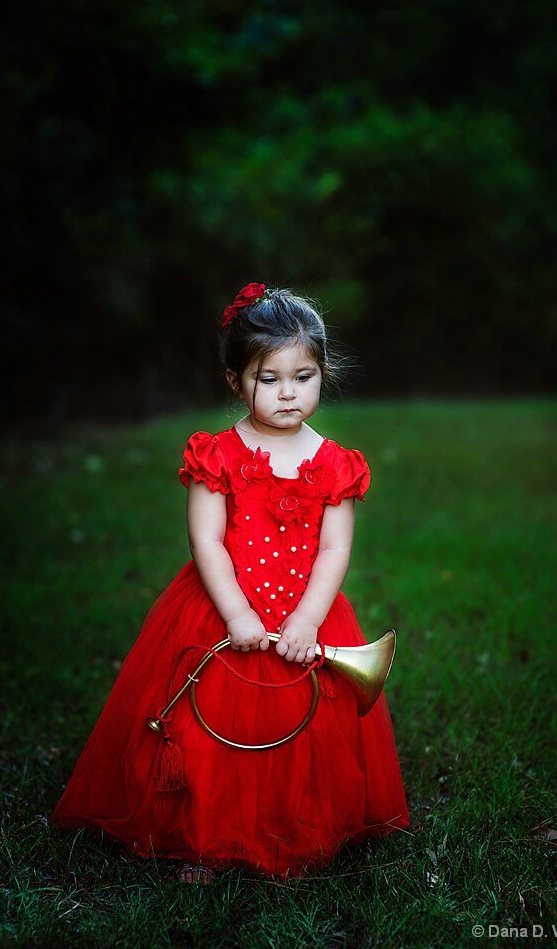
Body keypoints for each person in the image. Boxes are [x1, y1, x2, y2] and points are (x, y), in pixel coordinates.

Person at [52, 283, 409, 883]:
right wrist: (239, 614)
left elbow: (335, 547)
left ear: (323, 374)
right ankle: (201, 837)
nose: (288, 392)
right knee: (208, 724)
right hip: (223, 608)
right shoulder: (217, 455)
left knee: (301, 723)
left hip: (304, 610)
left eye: (304, 376)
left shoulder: (335, 463)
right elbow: (207, 542)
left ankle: (291, 830)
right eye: (268, 378)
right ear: (235, 383)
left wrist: (308, 620)